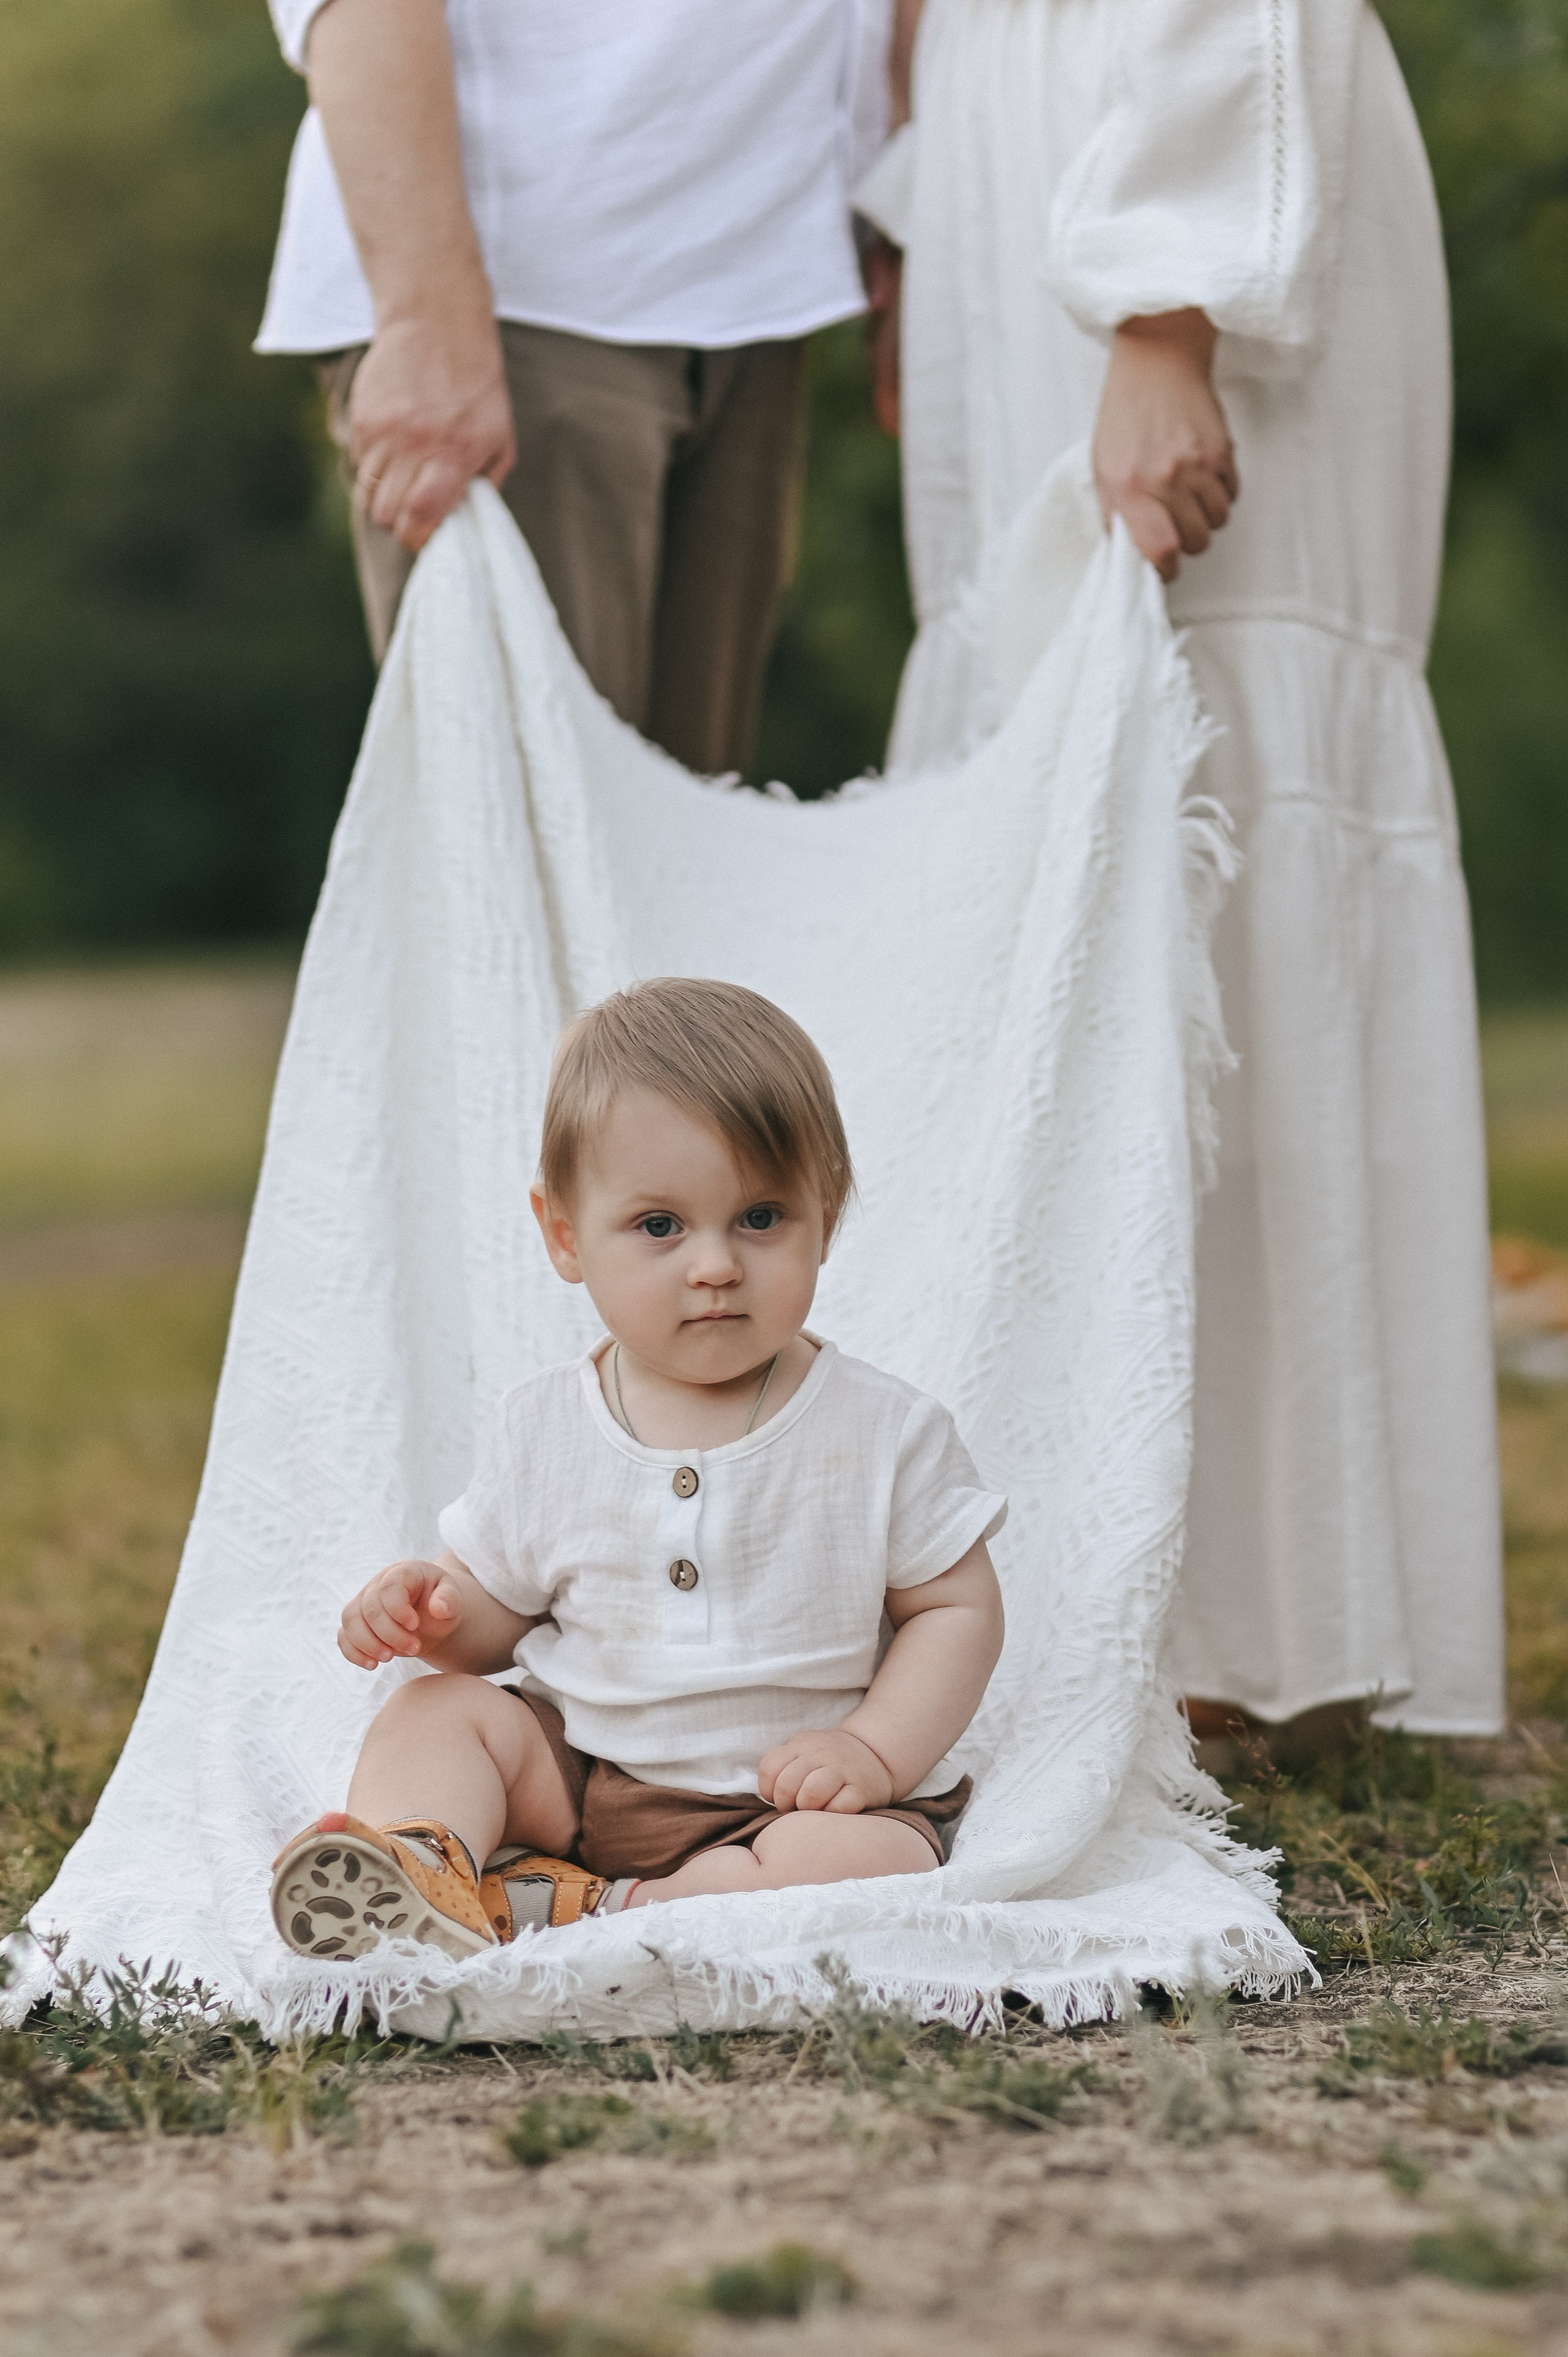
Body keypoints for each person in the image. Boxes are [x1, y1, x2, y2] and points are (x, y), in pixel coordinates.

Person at [858, 0, 1505, 1738]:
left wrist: (1166, 303)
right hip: (1021, 143)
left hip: (1176, 132)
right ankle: (1085, 1595)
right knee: (1053, 771)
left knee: (1210, 778)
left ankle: (1247, 1619)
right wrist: (911, 201)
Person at [270, 981, 1006, 1961]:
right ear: (566, 1236)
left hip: (788, 1801)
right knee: (431, 1713)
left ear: (824, 1218)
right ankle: (421, 1864)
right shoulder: (544, 1427)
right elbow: (497, 1615)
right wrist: (434, 1614)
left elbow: (956, 1609)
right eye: (661, 1227)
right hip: (583, 1775)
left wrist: (872, 1750)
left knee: (869, 1860)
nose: (715, 1266)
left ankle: (597, 1910)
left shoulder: (883, 1430)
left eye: (761, 1217)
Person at [255, 0, 891, 776]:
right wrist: (423, 311)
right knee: (528, 823)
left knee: (690, 826)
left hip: (757, 283)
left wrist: (891, 205)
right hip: (514, 302)